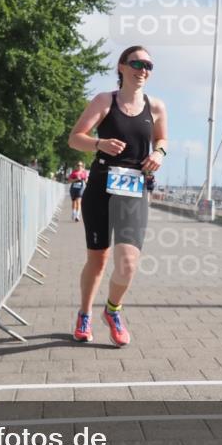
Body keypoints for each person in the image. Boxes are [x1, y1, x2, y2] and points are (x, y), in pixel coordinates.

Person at [67, 45, 168, 346]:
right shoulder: (104, 100)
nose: (143, 70)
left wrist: (159, 153)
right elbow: (75, 139)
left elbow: (162, 139)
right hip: (100, 187)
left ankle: (112, 310)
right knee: (98, 260)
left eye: (149, 66)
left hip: (134, 189)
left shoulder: (156, 106)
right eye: (137, 63)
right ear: (122, 67)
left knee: (128, 263)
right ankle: (85, 313)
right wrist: (99, 144)